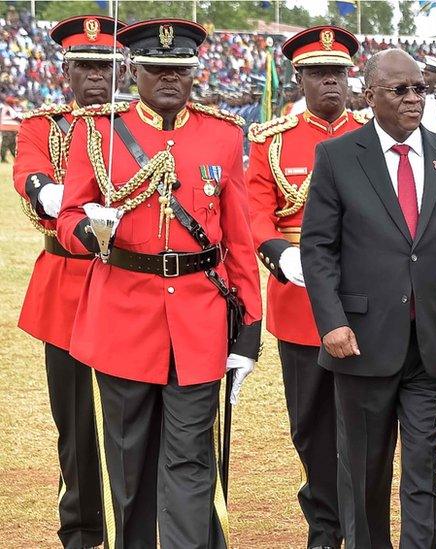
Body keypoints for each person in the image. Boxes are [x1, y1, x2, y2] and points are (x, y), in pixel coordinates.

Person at [57, 18, 262, 548]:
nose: (169, 78)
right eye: (157, 69)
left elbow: (238, 238)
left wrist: (250, 331)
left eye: (180, 70)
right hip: (123, 315)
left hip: (198, 319)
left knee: (191, 461)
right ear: (134, 69)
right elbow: (69, 214)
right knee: (128, 467)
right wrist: (85, 228)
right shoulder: (98, 130)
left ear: (194, 72)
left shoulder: (222, 134)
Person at [300, 48, 436, 549]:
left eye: (419, 89)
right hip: (361, 342)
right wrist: (332, 322)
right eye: (399, 90)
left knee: (423, 467)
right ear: (370, 96)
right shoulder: (339, 157)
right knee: (364, 470)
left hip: (435, 342)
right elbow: (318, 248)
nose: (413, 99)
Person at [244, 25, 367, 549]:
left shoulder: (370, 135)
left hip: (363, 294)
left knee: (361, 421)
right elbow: (253, 211)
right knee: (310, 424)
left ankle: (356, 524)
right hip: (297, 296)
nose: (330, 84)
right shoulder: (272, 142)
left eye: (337, 73)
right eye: (318, 74)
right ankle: (324, 522)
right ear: (300, 78)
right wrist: (278, 252)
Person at [13, 15, 124, 548]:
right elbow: (33, 179)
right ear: (66, 71)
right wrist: (67, 204)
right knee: (75, 421)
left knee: (129, 418)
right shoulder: (44, 126)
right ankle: (81, 531)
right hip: (66, 282)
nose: (96, 75)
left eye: (105, 64)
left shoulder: (134, 124)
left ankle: (135, 524)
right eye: (85, 65)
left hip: (128, 284)